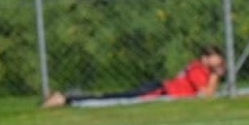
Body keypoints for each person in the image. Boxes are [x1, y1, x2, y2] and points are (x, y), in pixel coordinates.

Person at [41, 46, 224, 108]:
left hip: (158, 88)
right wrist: (215, 76)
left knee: (118, 96)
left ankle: (71, 96)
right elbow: (205, 95)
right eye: (215, 57)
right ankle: (66, 98)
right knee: (117, 99)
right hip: (158, 91)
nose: (219, 60)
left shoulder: (199, 68)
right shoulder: (198, 69)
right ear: (205, 58)